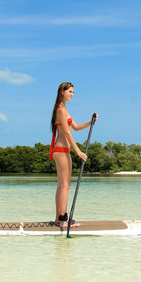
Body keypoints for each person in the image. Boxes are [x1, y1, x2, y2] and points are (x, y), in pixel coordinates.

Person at [49, 82, 97, 228]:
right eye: (70, 91)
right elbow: (67, 133)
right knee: (65, 186)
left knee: (62, 185)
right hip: (62, 150)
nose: (72, 94)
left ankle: (59, 218)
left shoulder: (64, 109)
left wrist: (91, 122)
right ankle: (63, 219)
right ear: (62, 92)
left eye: (73, 92)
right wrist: (78, 151)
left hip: (62, 150)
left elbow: (75, 128)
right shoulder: (60, 110)